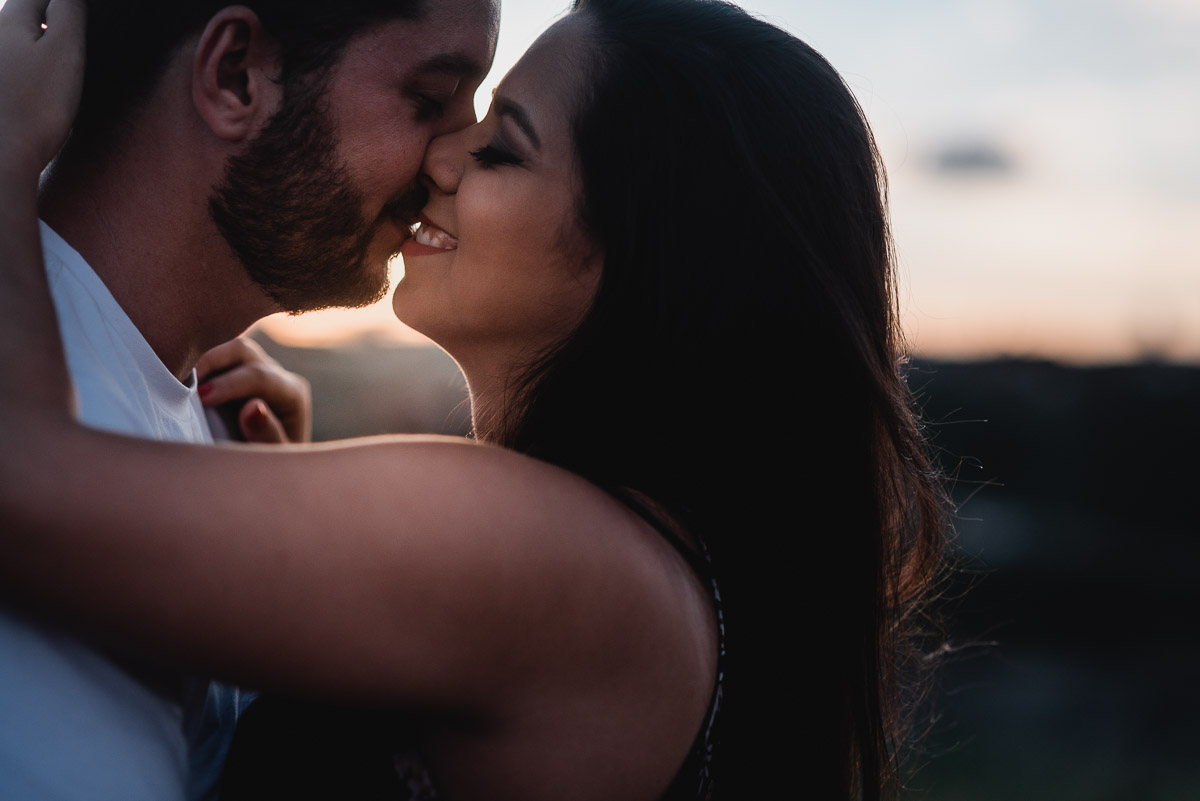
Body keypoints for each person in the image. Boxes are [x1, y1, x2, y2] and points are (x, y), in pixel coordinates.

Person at [0, 0, 949, 798]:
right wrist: (268, 490)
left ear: (645, 261)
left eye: (499, 149)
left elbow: (23, 479)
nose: (443, 158)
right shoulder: (631, 565)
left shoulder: (545, 554)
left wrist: (7, 146)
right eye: (433, 102)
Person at [0, 0, 498, 798]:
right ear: (236, 76)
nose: (453, 161)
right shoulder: (45, 457)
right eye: (430, 99)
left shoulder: (205, 415)